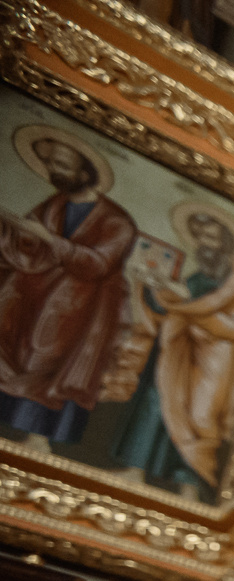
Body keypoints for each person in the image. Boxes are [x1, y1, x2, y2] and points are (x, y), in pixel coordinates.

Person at [114, 205, 234, 496]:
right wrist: (151, 289)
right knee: (155, 400)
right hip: (181, 355)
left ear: (227, 243)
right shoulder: (197, 279)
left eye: (211, 238)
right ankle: (135, 469)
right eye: (200, 238)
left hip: (219, 363)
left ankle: (189, 489)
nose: (205, 245)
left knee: (201, 420)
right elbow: (169, 312)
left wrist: (187, 305)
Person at [0, 132, 136, 447]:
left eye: (62, 164)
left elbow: (98, 264)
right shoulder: (54, 204)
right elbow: (29, 250)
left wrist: (48, 240)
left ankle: (38, 440)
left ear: (86, 172)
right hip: (37, 298)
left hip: (82, 309)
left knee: (48, 366)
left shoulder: (118, 221)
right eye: (50, 164)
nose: (54, 171)